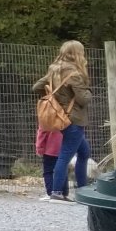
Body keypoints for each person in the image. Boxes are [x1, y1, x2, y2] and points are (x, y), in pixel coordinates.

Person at [36, 40, 93, 202]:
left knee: (84, 152)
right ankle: (57, 192)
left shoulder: (54, 69)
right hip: (74, 120)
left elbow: (36, 87)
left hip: (62, 118)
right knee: (65, 156)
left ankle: (82, 190)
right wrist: (88, 91)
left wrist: (57, 99)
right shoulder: (75, 74)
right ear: (77, 54)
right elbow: (83, 99)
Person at [35, 126, 63, 202]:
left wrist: (39, 148)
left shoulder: (45, 117)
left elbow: (41, 132)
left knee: (48, 172)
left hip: (49, 149)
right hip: (62, 148)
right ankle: (61, 192)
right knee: (61, 169)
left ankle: (50, 193)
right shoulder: (63, 116)